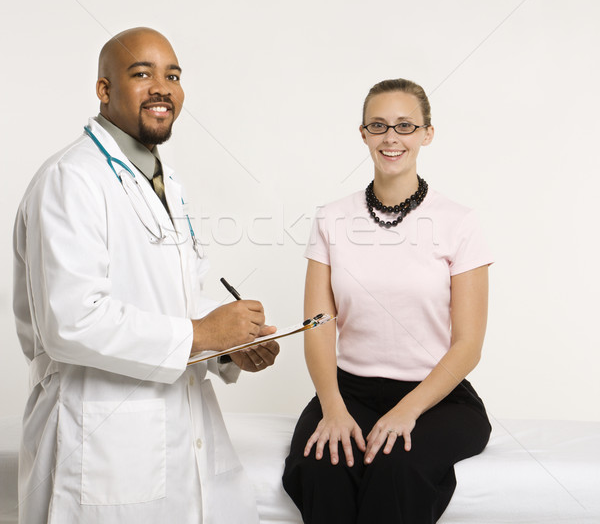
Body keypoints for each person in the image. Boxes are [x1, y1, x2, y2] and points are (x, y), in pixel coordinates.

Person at [13, 27, 280, 524]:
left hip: (174, 433)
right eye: (142, 73)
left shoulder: (163, 182)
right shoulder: (71, 179)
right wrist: (201, 334)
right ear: (104, 89)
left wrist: (228, 345)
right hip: (99, 436)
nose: (163, 87)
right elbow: (70, 322)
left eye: (172, 75)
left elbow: (177, 298)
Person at [282, 78, 493, 523]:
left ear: (426, 134)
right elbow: (319, 324)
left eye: (405, 126)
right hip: (349, 390)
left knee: (397, 466)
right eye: (378, 126)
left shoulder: (460, 222)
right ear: (363, 134)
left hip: (437, 398)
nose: (391, 137)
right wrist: (333, 409)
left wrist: (406, 412)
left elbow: (468, 345)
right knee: (322, 466)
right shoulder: (332, 218)